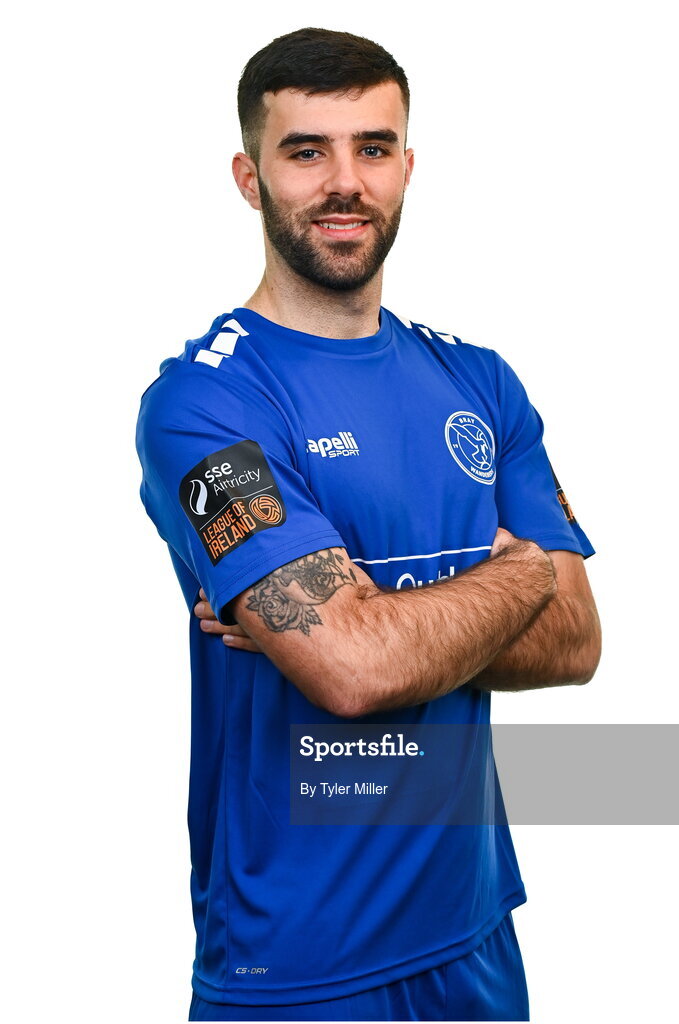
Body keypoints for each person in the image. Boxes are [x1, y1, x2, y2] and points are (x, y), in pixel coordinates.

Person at [135, 26, 601, 1023]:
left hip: (473, 931)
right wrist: (516, 576)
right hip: (296, 963)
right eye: (306, 151)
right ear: (249, 176)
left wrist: (374, 614)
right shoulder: (204, 406)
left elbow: (578, 641)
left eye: (373, 147)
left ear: (406, 166)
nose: (343, 181)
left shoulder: (479, 381)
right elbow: (351, 671)